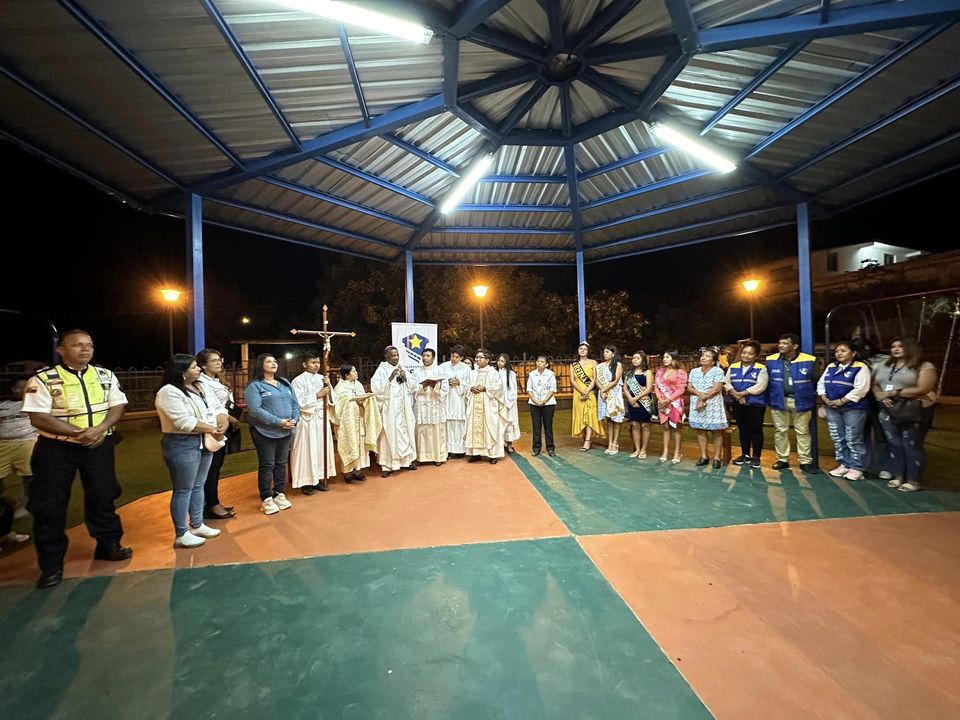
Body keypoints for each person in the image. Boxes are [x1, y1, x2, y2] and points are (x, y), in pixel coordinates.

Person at [22, 329, 132, 589]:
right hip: (56, 449)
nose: (85, 349)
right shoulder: (43, 379)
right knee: (49, 505)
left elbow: (117, 406)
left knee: (103, 495)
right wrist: (78, 433)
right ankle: (51, 565)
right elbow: (38, 416)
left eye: (89, 345)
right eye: (77, 345)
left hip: (99, 445)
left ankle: (108, 544)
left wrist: (101, 429)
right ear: (61, 350)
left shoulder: (104, 376)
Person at [155, 354, 227, 548]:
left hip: (204, 440)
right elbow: (183, 421)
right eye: (194, 367)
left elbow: (217, 407)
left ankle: (197, 524)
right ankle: (181, 533)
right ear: (182, 371)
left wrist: (222, 421)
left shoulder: (200, 386)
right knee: (183, 489)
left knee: (198, 485)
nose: (199, 369)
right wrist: (213, 428)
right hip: (181, 443)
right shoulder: (168, 392)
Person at [872, 337, 938, 492]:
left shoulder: (924, 366)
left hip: (913, 409)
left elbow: (923, 388)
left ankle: (913, 480)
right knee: (893, 443)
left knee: (911, 444)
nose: (895, 349)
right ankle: (898, 476)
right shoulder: (885, 365)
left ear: (911, 348)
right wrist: (879, 394)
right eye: (893, 346)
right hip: (887, 409)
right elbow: (875, 383)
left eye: (900, 346)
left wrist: (892, 393)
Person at [244, 353, 299, 515]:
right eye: (269, 361)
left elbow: (295, 404)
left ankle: (279, 493)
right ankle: (266, 498)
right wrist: (279, 422)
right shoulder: (255, 386)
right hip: (265, 432)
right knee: (267, 464)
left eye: (275, 361)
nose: (274, 363)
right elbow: (255, 411)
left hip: (286, 430)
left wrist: (294, 419)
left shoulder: (284, 383)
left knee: (281, 463)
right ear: (261, 365)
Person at [817, 341, 872, 481]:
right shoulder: (831, 367)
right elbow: (821, 383)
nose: (839, 353)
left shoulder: (860, 367)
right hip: (832, 408)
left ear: (853, 353)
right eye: (837, 351)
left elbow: (861, 389)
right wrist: (824, 398)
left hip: (853, 409)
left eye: (843, 350)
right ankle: (844, 464)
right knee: (838, 437)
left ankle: (857, 467)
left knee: (853, 438)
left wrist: (842, 401)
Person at [196, 348, 239, 519]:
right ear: (203, 365)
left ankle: (212, 502)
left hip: (225, 426)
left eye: (219, 359)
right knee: (211, 468)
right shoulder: (201, 382)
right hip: (213, 429)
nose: (219, 362)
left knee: (216, 466)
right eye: (214, 360)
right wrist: (228, 418)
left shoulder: (218, 380)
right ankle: (210, 505)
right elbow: (211, 406)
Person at [766, 333, 818, 473]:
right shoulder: (770, 360)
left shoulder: (809, 360)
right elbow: (767, 379)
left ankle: (805, 461)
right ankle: (783, 459)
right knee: (780, 431)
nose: (780, 346)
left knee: (803, 431)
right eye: (780, 343)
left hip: (801, 400)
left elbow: (815, 379)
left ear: (794, 346)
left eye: (784, 343)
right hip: (778, 399)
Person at [290, 351, 337, 494]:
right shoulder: (298, 381)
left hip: (321, 419)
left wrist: (328, 389)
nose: (316, 365)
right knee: (306, 450)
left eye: (318, 362)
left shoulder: (323, 378)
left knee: (321, 449)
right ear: (305, 364)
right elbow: (298, 402)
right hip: (307, 419)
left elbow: (333, 400)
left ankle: (318, 478)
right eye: (313, 362)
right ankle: (305, 482)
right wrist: (317, 395)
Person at [370, 345, 417, 477]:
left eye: (397, 355)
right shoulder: (382, 370)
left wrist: (405, 378)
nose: (396, 358)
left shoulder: (402, 368)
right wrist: (389, 379)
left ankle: (406, 461)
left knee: (406, 432)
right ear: (386, 357)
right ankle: (387, 465)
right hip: (390, 410)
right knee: (389, 434)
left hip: (403, 409)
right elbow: (376, 389)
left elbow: (413, 387)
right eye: (393, 355)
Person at [332, 364, 380, 483]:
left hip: (359, 419)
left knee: (360, 444)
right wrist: (354, 399)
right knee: (349, 444)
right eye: (354, 371)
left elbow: (360, 399)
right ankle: (347, 472)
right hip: (347, 422)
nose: (356, 373)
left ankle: (357, 471)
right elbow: (339, 404)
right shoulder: (340, 387)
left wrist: (365, 399)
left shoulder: (358, 384)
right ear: (347, 375)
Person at [724, 340, 768, 469]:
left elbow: (761, 386)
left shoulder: (761, 368)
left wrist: (742, 394)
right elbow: (726, 382)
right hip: (737, 403)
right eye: (744, 353)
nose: (746, 356)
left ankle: (756, 457)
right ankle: (745, 454)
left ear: (756, 356)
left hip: (755, 404)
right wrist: (736, 395)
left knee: (756, 429)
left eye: (750, 353)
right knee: (743, 429)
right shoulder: (733, 367)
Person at [0, 377, 37, 519]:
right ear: (13, 389)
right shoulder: (3, 405)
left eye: (28, 387)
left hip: (28, 441)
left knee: (29, 474)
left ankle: (28, 503)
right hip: (3, 444)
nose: (25, 390)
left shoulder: (35, 404)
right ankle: (3, 504)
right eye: (21, 387)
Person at [687, 348, 729, 468]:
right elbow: (689, 387)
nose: (703, 357)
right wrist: (699, 394)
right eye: (703, 355)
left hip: (712, 404)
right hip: (697, 403)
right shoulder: (694, 371)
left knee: (716, 431)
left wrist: (703, 398)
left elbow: (717, 388)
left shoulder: (718, 371)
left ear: (713, 360)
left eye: (707, 356)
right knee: (700, 430)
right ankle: (704, 456)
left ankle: (717, 457)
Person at [465, 349, 506, 464]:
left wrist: (485, 388)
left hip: (488, 405)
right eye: (476, 357)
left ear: (487, 360)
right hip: (474, 404)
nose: (477, 359)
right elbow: (466, 386)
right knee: (474, 427)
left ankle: (492, 455)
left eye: (480, 357)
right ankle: (475, 454)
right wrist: (471, 388)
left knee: (490, 428)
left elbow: (499, 388)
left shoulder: (494, 373)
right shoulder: (472, 373)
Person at [413, 348, 447, 466]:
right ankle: (421, 457)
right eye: (423, 356)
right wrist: (422, 386)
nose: (425, 358)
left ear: (433, 358)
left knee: (436, 430)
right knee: (422, 430)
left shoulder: (440, 371)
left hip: (435, 404)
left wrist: (435, 387)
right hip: (422, 405)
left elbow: (445, 388)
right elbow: (412, 387)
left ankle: (438, 457)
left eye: (428, 356)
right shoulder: (417, 372)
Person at [654, 350, 688, 464]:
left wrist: (668, 400)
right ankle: (665, 451)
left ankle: (677, 452)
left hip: (674, 402)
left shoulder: (680, 372)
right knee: (666, 427)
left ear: (674, 358)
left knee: (676, 427)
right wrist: (660, 398)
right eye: (664, 357)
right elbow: (657, 387)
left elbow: (681, 389)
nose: (664, 359)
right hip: (662, 402)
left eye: (667, 357)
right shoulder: (660, 371)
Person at [439, 345, 471, 459]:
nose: (454, 359)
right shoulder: (443, 367)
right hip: (447, 397)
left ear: (461, 358)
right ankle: (448, 450)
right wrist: (446, 382)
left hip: (459, 398)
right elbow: (438, 381)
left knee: (459, 423)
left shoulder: (466, 369)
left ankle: (460, 450)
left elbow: (469, 384)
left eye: (457, 357)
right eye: (452, 356)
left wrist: (459, 382)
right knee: (447, 423)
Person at [623, 351, 655, 459]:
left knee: (645, 426)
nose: (634, 360)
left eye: (637, 358)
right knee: (635, 425)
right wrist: (631, 399)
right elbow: (625, 388)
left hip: (644, 401)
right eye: (633, 358)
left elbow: (648, 389)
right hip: (632, 402)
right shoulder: (629, 373)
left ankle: (643, 449)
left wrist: (635, 398)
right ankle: (637, 449)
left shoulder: (647, 372)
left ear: (643, 360)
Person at [571, 342, 602, 451]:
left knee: (589, 416)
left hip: (590, 393)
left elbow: (594, 378)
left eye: (585, 349)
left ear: (588, 351)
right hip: (578, 393)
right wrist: (581, 392)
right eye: (581, 348)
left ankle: (588, 440)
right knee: (580, 415)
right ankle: (584, 438)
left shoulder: (593, 362)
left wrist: (587, 391)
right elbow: (572, 380)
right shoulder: (574, 364)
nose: (582, 350)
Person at [526, 355, 557, 457]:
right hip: (534, 403)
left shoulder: (551, 375)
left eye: (542, 361)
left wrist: (544, 400)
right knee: (536, 426)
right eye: (538, 361)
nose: (539, 363)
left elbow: (552, 389)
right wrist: (534, 400)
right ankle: (536, 448)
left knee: (548, 426)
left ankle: (550, 448)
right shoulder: (532, 374)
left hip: (548, 404)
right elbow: (529, 389)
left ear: (547, 364)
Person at [597, 345, 625, 454]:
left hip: (614, 394)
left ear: (613, 354)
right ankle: (610, 442)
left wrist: (604, 390)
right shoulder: (600, 366)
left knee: (616, 419)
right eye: (604, 352)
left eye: (607, 352)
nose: (605, 354)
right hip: (604, 395)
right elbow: (596, 380)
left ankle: (615, 442)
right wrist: (602, 391)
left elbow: (615, 380)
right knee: (609, 419)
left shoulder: (618, 365)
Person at [497, 353, 521, 454]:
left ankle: (509, 445)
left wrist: (507, 403)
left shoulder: (511, 374)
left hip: (508, 404)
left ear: (506, 363)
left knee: (509, 423)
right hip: (497, 403)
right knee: (499, 424)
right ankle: (500, 444)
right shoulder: (494, 373)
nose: (499, 363)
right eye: (498, 361)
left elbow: (513, 390)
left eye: (502, 361)